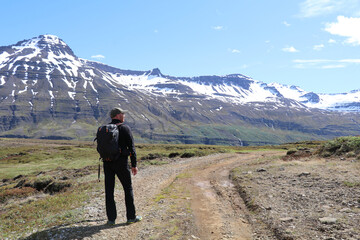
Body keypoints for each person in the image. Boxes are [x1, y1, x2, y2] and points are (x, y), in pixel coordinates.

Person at [104, 107, 142, 225]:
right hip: (121, 163)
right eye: (122, 114)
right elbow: (132, 147)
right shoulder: (125, 128)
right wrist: (134, 165)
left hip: (107, 163)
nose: (124, 115)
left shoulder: (104, 129)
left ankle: (111, 220)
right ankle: (131, 217)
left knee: (109, 191)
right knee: (127, 188)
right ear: (117, 115)